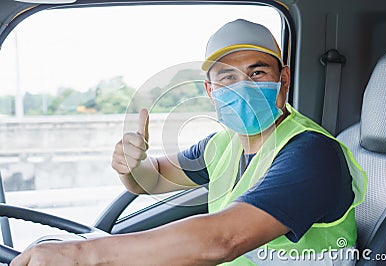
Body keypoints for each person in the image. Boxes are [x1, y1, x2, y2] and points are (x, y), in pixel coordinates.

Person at [11, 19, 367, 266]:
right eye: (227, 77)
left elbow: (221, 240)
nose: (242, 86)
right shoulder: (223, 145)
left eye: (257, 72)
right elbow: (151, 180)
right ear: (211, 92)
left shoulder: (310, 152)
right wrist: (130, 166)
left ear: (284, 79)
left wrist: (78, 255)